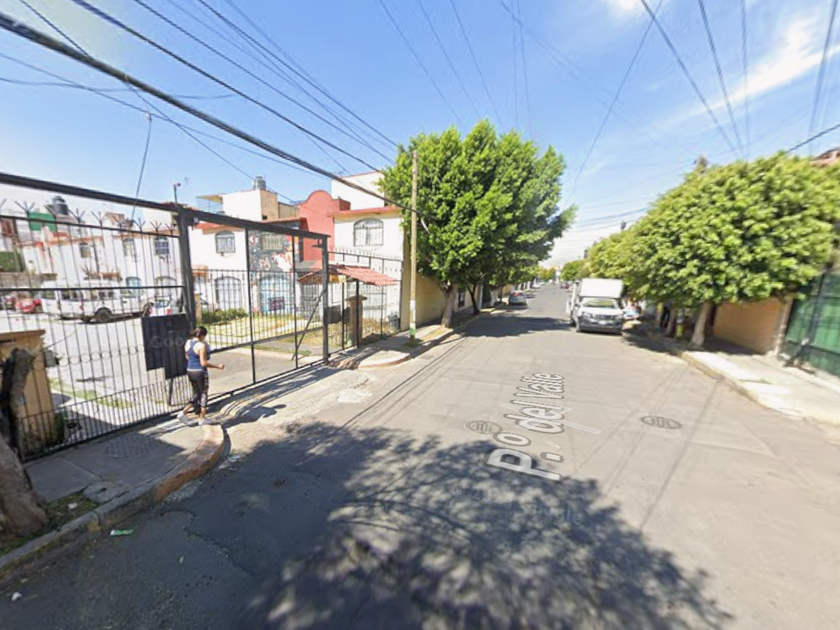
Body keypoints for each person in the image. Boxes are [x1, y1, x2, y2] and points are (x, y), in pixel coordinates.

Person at [177, 326, 224, 426]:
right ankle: (202, 418)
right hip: (200, 372)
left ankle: (183, 413)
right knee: (203, 394)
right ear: (202, 335)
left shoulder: (188, 343)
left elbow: (187, 356)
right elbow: (203, 363)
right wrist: (217, 366)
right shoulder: (201, 346)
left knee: (197, 393)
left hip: (190, 370)